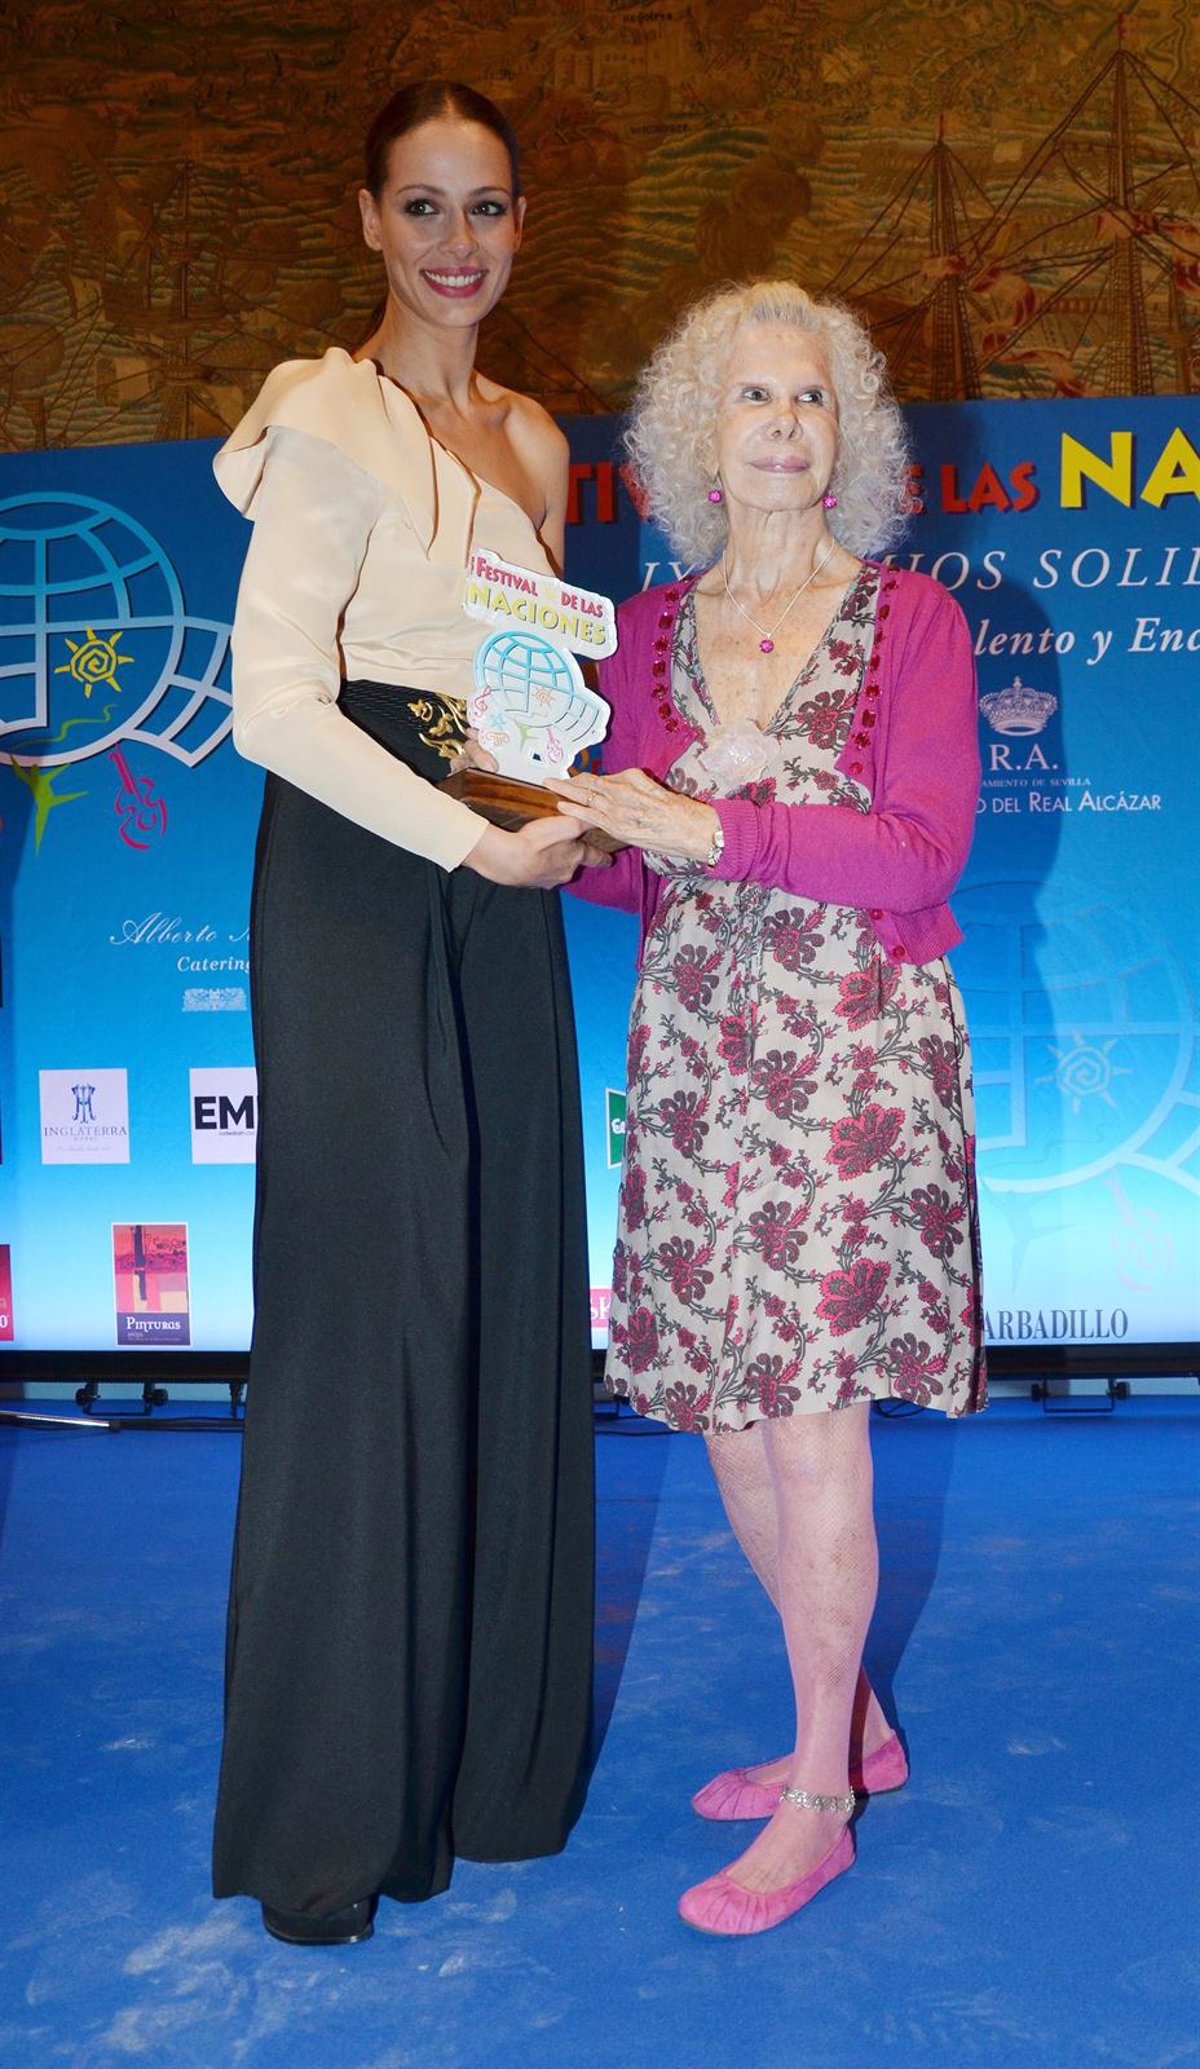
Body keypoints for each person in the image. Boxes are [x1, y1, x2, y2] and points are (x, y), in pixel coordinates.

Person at [209, 81, 595, 1947]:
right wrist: (467, 834)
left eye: (487, 206)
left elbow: (530, 684)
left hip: (503, 875)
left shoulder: (535, 441)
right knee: (367, 1313)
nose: (458, 242)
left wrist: (569, 809)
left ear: (522, 223)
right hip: (361, 871)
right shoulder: (324, 415)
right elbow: (271, 703)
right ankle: (329, 1820)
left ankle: (491, 1773)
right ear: (368, 218)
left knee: (510, 1289)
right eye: (423, 206)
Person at [552, 280, 986, 1937]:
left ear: (848, 433)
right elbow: (631, 872)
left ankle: (818, 1796)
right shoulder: (639, 637)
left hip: (855, 1057)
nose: (785, 425)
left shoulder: (914, 620)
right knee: (728, 1416)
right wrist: (557, 834)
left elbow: (922, 853)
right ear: (696, 436)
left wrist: (718, 828)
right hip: (694, 1063)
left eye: (811, 397)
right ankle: (852, 1719)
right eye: (752, 398)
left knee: (813, 1417)